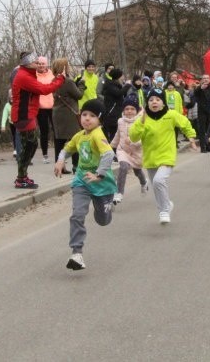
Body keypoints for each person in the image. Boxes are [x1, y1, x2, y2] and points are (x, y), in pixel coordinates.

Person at [54, 99, 116, 271]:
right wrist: (60, 161)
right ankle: (77, 253)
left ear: (100, 120)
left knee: (103, 221)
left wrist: (99, 174)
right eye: (84, 115)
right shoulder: (79, 135)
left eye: (93, 116)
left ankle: (106, 207)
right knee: (77, 215)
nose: (87, 119)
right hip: (82, 181)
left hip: (102, 184)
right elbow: (67, 148)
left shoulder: (98, 134)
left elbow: (109, 155)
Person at [129, 87, 199, 224]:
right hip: (150, 157)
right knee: (156, 185)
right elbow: (133, 136)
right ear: (147, 103)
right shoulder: (143, 118)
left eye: (157, 99)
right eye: (151, 100)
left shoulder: (171, 114)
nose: (154, 102)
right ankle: (166, 205)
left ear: (163, 102)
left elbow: (185, 123)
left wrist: (191, 137)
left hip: (167, 155)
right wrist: (141, 123)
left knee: (158, 181)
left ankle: (164, 210)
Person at [11, 53, 65, 189]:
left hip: (26, 115)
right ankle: (21, 178)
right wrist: (60, 79)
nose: (38, 64)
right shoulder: (24, 76)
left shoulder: (28, 74)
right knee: (30, 145)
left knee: (30, 145)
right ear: (28, 64)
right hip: (24, 116)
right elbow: (44, 89)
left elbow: (40, 87)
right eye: (35, 63)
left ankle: (22, 176)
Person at [111, 95, 147, 202]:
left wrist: (132, 141)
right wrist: (110, 147)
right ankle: (119, 193)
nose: (129, 111)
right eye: (127, 109)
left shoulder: (141, 122)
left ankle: (144, 182)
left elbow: (143, 139)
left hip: (136, 152)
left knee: (137, 171)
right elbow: (118, 135)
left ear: (136, 110)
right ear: (123, 110)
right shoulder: (120, 121)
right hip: (123, 150)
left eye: (132, 109)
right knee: (123, 167)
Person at [52, 58, 82, 174]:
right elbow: (79, 95)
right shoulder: (68, 81)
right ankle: (76, 166)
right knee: (74, 139)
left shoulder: (54, 80)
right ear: (64, 67)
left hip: (57, 113)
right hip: (69, 115)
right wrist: (82, 84)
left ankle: (60, 166)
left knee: (59, 141)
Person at [35, 56, 55, 164]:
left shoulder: (52, 74)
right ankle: (45, 155)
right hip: (40, 107)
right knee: (44, 131)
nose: (41, 65)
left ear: (46, 64)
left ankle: (59, 154)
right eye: (39, 63)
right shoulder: (34, 76)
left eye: (43, 63)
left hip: (52, 106)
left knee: (57, 130)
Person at [191, 74, 210, 153]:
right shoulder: (199, 89)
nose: (206, 79)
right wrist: (200, 88)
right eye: (204, 78)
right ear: (202, 80)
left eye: (207, 78)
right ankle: (203, 147)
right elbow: (194, 95)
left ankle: (209, 146)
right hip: (201, 112)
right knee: (202, 130)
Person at [101, 68, 128, 142]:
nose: (123, 77)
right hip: (111, 114)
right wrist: (127, 86)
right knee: (112, 136)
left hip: (116, 114)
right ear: (118, 76)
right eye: (122, 75)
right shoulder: (110, 85)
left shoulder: (117, 85)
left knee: (115, 135)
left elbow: (123, 95)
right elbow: (118, 93)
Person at [1, 89, 17, 159]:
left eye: (13, 95)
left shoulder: (18, 103)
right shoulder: (7, 105)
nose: (12, 97)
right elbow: (4, 115)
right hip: (12, 123)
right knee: (14, 136)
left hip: (19, 123)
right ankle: (15, 149)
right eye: (10, 96)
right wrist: (3, 126)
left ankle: (19, 149)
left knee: (18, 136)